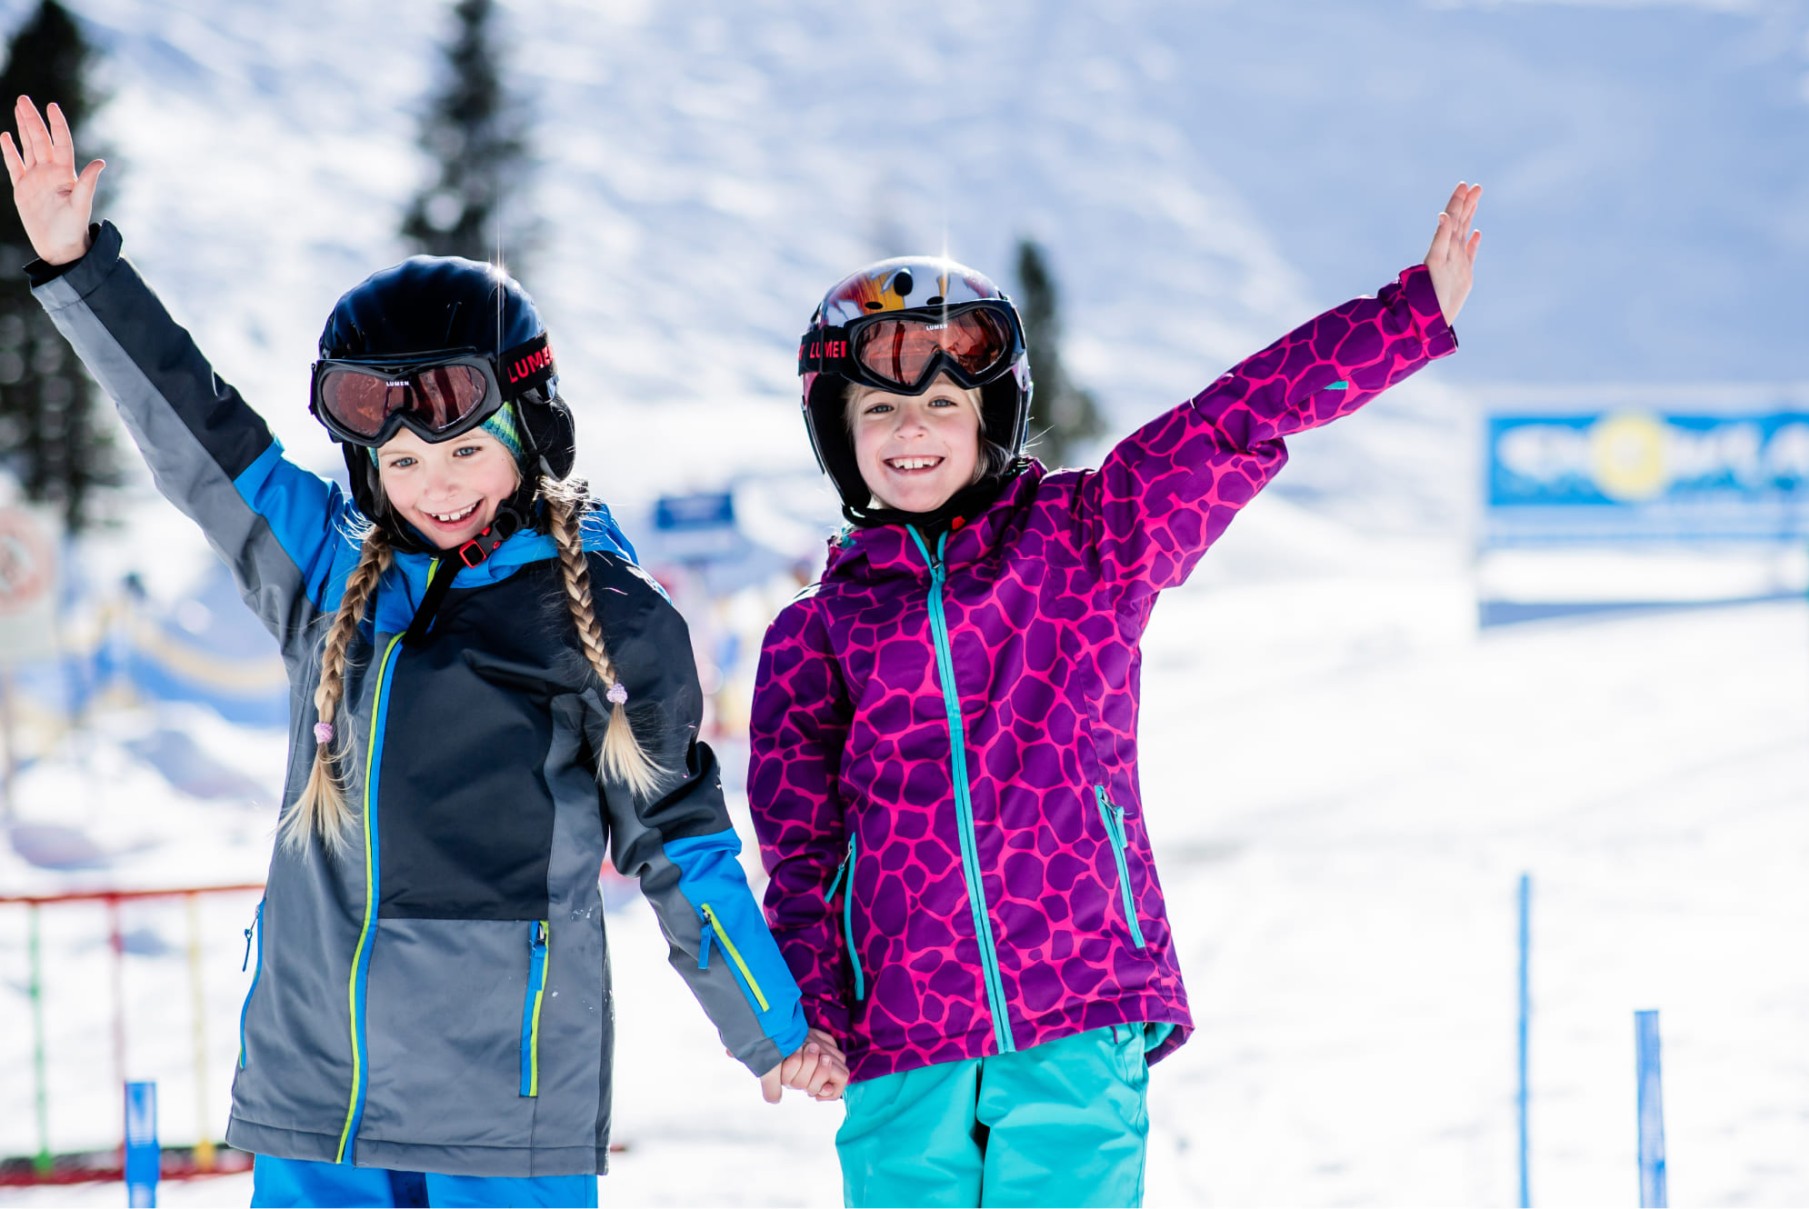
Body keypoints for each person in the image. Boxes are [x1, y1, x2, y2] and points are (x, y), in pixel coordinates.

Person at [3, 95, 843, 1209]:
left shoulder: (605, 616)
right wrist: (78, 267)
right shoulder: (327, 574)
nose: (431, 487)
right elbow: (200, 437)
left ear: (529, 435)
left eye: (458, 454)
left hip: (498, 1112)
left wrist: (770, 1028)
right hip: (316, 1092)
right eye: (398, 465)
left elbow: (678, 841)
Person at [750, 182, 1481, 1206]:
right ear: (839, 431)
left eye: (939, 405)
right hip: (902, 1036)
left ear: (988, 415)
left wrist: (1405, 318)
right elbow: (800, 848)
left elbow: (1232, 422)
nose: (909, 430)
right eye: (878, 408)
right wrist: (809, 1011)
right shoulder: (815, 636)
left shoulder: (1090, 543)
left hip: (1077, 1006)